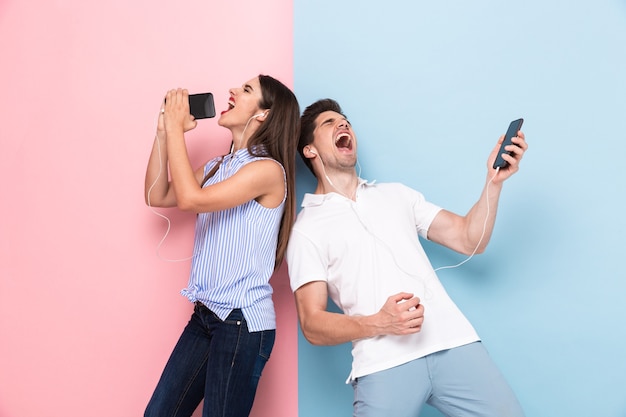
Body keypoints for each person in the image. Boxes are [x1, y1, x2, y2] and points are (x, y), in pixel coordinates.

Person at [285, 98, 527, 417]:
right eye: (329, 123)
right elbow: (312, 325)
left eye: (345, 120)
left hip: (452, 343)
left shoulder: (396, 194)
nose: (342, 124)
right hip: (383, 363)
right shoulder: (307, 230)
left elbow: (470, 239)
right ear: (310, 151)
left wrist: (493, 183)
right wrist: (378, 322)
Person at [143, 75, 300, 417]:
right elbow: (158, 194)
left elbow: (190, 199)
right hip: (205, 315)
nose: (232, 90)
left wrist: (175, 131)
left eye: (246, 91)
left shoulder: (267, 171)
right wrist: (162, 133)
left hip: (241, 323)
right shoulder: (218, 165)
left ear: (263, 115)